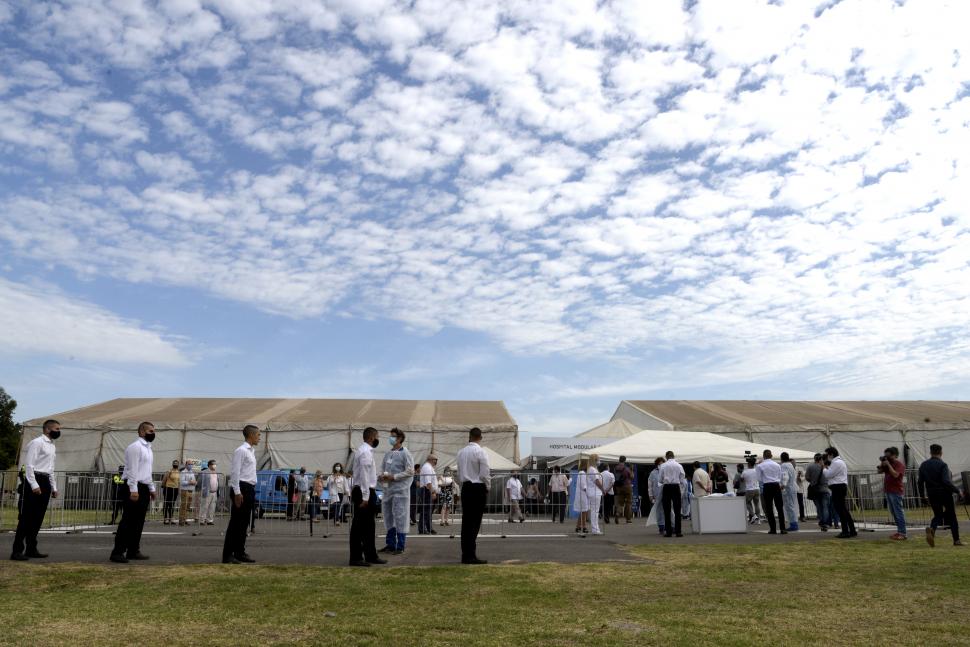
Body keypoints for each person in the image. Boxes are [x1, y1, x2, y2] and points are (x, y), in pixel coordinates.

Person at [11, 419, 60, 561]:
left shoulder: (52, 446)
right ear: (47, 429)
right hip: (34, 479)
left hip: (45, 480)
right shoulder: (37, 443)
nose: (58, 431)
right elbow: (30, 465)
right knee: (26, 518)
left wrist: (54, 487)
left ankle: (31, 548)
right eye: (56, 429)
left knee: (38, 518)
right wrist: (34, 485)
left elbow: (50, 468)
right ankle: (17, 551)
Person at [111, 422, 157, 563]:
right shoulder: (135, 447)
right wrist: (133, 489)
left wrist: (151, 488)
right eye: (150, 431)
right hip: (133, 487)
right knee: (128, 521)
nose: (153, 433)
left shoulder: (149, 449)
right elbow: (132, 471)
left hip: (143, 487)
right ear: (142, 432)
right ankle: (118, 552)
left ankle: (133, 550)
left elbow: (146, 472)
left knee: (139, 522)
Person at [348, 427, 386, 567]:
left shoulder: (365, 451)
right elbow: (364, 475)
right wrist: (365, 496)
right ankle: (356, 557)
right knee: (359, 526)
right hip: (364, 491)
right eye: (377, 436)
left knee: (369, 525)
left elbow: (368, 474)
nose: (378, 439)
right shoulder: (365, 452)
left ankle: (370, 554)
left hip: (367, 489)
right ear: (371, 437)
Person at [222, 425, 259, 564]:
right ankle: (227, 554)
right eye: (258, 435)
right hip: (241, 488)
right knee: (236, 523)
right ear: (251, 435)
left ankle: (239, 551)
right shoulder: (241, 451)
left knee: (244, 523)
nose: (259, 438)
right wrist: (237, 492)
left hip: (249, 487)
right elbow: (235, 472)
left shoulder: (251, 451)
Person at [918, 444, 962, 547]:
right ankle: (956, 540)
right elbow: (946, 481)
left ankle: (932, 529)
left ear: (930, 452)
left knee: (938, 515)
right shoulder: (943, 465)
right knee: (952, 516)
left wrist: (922, 496)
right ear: (941, 453)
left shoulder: (923, 465)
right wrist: (957, 491)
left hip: (932, 494)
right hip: (944, 493)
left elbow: (920, 482)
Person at [456, 427, 490, 564]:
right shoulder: (481, 452)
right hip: (478, 487)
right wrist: (488, 486)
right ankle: (471, 555)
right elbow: (484, 473)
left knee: (466, 522)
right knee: (475, 522)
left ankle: (466, 554)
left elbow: (459, 472)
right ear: (480, 438)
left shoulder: (461, 452)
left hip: (466, 487)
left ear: (469, 437)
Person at [379, 428, 414, 555]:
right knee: (388, 516)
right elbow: (383, 468)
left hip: (401, 491)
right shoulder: (388, 454)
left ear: (399, 438)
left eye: (393, 436)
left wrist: (394, 477)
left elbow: (410, 471)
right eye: (391, 436)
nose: (391, 438)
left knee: (400, 516)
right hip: (388, 490)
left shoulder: (406, 453)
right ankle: (390, 544)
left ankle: (400, 545)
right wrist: (381, 476)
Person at [823, 447, 856, 538]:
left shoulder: (836, 463)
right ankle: (852, 530)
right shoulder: (839, 462)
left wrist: (824, 468)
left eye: (827, 455)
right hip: (840, 487)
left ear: (831, 454)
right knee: (843, 509)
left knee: (840, 510)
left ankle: (845, 531)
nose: (827, 457)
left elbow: (828, 475)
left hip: (838, 487)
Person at [877, 447, 907, 541]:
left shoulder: (899, 464)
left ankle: (903, 533)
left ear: (894, 455)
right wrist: (882, 463)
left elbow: (895, 475)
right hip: (888, 491)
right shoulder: (888, 463)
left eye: (889, 455)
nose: (888, 457)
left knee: (899, 513)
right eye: (886, 455)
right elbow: (879, 471)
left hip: (896, 491)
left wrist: (888, 465)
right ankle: (899, 531)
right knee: (894, 513)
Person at [756, 450, 786, 535]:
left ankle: (773, 529)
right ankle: (783, 529)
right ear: (771, 455)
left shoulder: (760, 465)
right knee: (779, 507)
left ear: (763, 456)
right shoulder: (777, 465)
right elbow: (780, 477)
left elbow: (759, 478)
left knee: (769, 508)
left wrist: (766, 479)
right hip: (776, 485)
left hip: (767, 486)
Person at [659, 451, 685, 537]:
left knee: (667, 510)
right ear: (674, 456)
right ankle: (678, 531)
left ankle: (668, 532)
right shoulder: (679, 465)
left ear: (666, 457)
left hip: (666, 487)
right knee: (677, 510)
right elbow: (682, 477)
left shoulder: (663, 466)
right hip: (676, 487)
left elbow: (660, 479)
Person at [805, 453, 831, 531]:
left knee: (819, 507)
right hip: (825, 489)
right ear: (821, 459)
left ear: (814, 459)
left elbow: (807, 477)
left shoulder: (810, 466)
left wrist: (813, 481)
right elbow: (829, 477)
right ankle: (825, 523)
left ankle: (822, 521)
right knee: (825, 507)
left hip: (815, 490)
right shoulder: (825, 467)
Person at [418, 454, 439, 535]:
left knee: (428, 511)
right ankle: (422, 529)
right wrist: (432, 492)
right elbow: (428, 482)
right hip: (426, 491)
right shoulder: (427, 467)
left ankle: (429, 528)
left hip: (428, 490)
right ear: (430, 459)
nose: (436, 461)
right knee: (425, 511)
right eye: (435, 459)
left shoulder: (429, 467)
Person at [612, 456, 634, 523]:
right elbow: (632, 477)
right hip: (627, 486)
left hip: (619, 487)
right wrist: (632, 470)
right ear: (625, 460)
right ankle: (628, 519)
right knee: (628, 502)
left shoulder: (615, 468)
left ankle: (617, 513)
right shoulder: (627, 468)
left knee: (620, 503)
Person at [586, 459, 605, 535]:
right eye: (598, 459)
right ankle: (595, 529)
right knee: (595, 511)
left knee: (594, 511)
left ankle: (595, 528)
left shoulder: (591, 469)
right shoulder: (593, 469)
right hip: (595, 492)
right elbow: (597, 481)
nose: (599, 461)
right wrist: (603, 489)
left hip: (593, 492)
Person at [780, 453, 798, 531]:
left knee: (789, 507)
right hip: (793, 487)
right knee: (792, 506)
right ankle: (794, 523)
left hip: (788, 489)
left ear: (781, 458)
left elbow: (785, 475)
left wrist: (783, 485)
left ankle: (793, 524)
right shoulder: (790, 465)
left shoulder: (784, 466)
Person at [648, 457, 666, 535]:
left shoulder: (666, 471)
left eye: (662, 463)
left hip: (666, 494)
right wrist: (650, 495)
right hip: (657, 495)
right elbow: (650, 485)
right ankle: (661, 528)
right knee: (659, 512)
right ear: (657, 464)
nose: (660, 465)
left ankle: (669, 526)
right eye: (659, 464)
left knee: (668, 511)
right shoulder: (653, 473)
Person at [742, 458, 763, 524]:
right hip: (757, 488)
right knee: (756, 504)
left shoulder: (745, 471)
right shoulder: (756, 471)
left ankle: (753, 515)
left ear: (748, 464)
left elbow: (742, 479)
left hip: (749, 489)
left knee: (747, 502)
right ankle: (758, 520)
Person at [199, 459, 219, 526]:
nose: (215, 465)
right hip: (207, 492)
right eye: (213, 464)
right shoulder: (204, 472)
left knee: (212, 507)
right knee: (204, 506)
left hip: (214, 492)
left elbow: (216, 482)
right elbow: (200, 481)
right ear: (209, 465)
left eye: (215, 464)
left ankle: (210, 520)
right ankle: (202, 520)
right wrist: (203, 489)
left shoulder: (216, 473)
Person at [161, 460, 180, 525]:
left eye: (177, 464)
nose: (175, 464)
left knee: (172, 504)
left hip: (175, 489)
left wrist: (178, 489)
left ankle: (171, 518)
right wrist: (163, 486)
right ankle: (165, 519)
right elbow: (164, 479)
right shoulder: (169, 471)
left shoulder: (179, 472)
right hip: (168, 488)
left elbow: (179, 481)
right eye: (174, 463)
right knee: (167, 504)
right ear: (172, 464)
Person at [573, 458, 590, 533]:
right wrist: (589, 492)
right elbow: (584, 486)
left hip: (582, 494)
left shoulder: (582, 472)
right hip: (583, 494)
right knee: (584, 511)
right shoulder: (582, 473)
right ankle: (584, 527)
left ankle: (578, 526)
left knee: (583, 511)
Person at [178, 460, 196, 526]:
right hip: (185, 491)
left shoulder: (192, 472)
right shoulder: (183, 472)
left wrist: (194, 482)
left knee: (188, 506)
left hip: (191, 491)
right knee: (183, 506)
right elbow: (182, 482)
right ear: (186, 465)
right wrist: (190, 482)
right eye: (189, 464)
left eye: (191, 464)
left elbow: (194, 480)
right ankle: (181, 521)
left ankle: (185, 519)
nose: (190, 465)